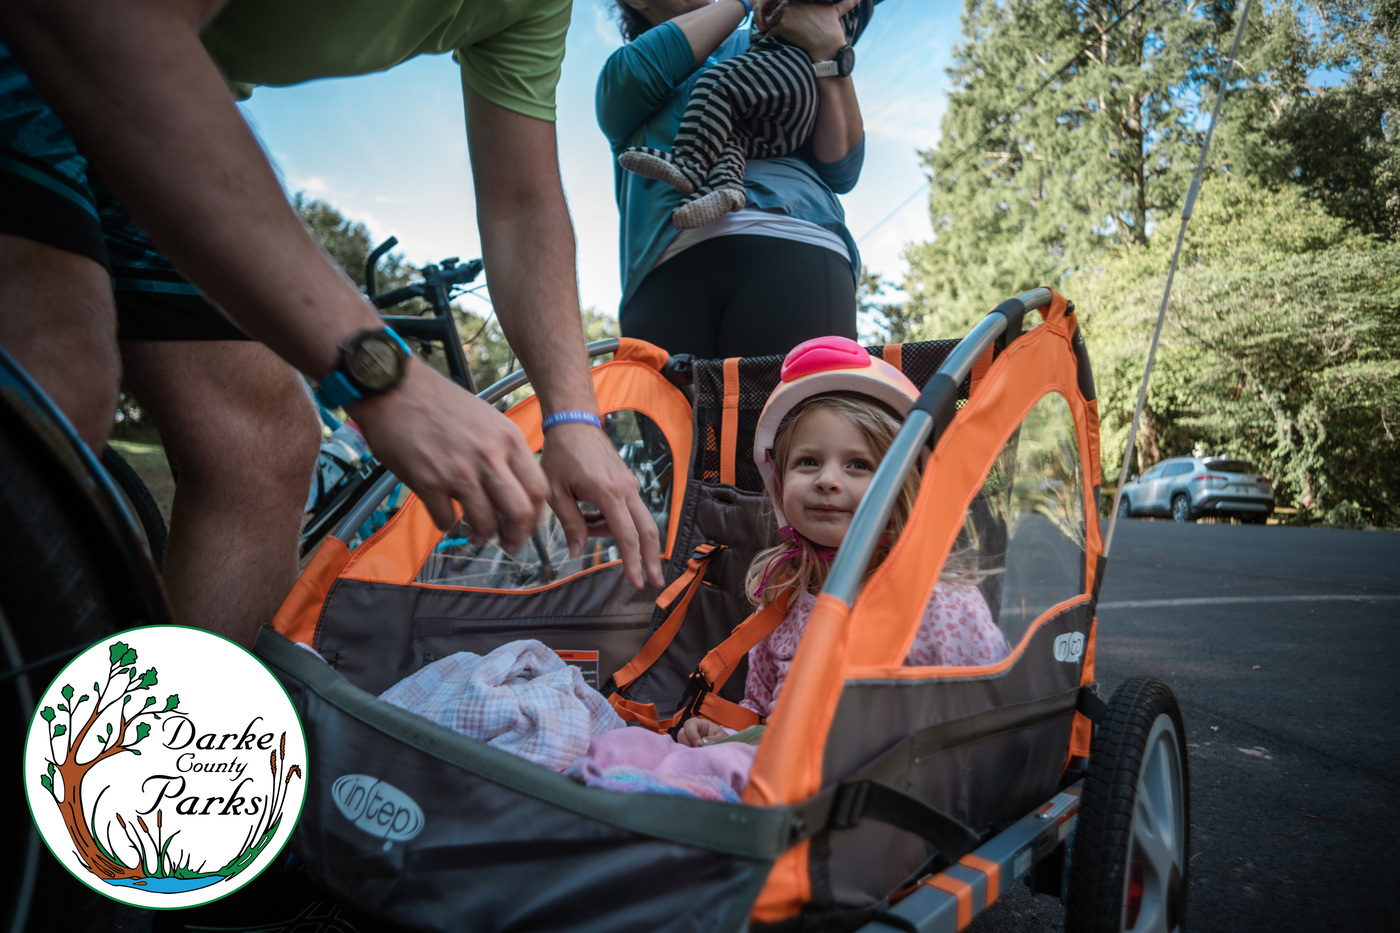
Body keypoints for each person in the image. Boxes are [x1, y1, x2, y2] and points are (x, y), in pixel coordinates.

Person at [0, 0, 665, 650]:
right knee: (54, 383)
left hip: (167, 87)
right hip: (66, 29)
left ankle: (179, 747)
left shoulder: (539, 11)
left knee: (263, 446)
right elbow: (106, 22)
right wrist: (383, 375)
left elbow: (524, 206)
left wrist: (575, 420)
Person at [677, 336, 1009, 747]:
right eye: (808, 462)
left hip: (877, 794)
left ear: (904, 485)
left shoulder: (940, 606)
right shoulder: (784, 595)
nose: (828, 480)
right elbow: (761, 712)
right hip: (770, 776)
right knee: (632, 750)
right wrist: (724, 735)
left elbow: (985, 724)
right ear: (780, 483)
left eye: (858, 465)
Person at [600, 0, 867, 359]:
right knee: (677, 417)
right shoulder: (623, 70)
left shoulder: (773, 36)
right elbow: (641, 72)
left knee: (804, 412)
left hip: (794, 244)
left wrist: (830, 49)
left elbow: (842, 169)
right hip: (665, 277)